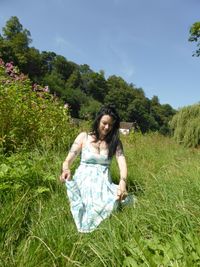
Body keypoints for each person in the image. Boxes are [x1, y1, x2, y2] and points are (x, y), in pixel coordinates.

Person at [60, 105, 132, 233]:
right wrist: (66, 169)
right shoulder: (84, 137)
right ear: (98, 120)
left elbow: (122, 163)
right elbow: (67, 160)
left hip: (103, 181)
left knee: (119, 198)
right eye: (104, 123)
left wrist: (123, 182)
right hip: (84, 178)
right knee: (89, 201)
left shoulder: (115, 142)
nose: (107, 127)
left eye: (111, 125)